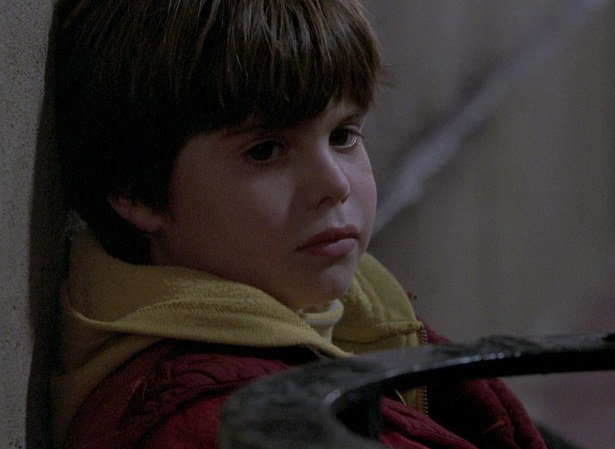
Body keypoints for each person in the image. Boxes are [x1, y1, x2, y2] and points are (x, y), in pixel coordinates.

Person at [51, 1, 548, 448]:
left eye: (343, 136)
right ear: (136, 190)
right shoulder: (226, 427)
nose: (334, 184)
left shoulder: (352, 316)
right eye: (265, 151)